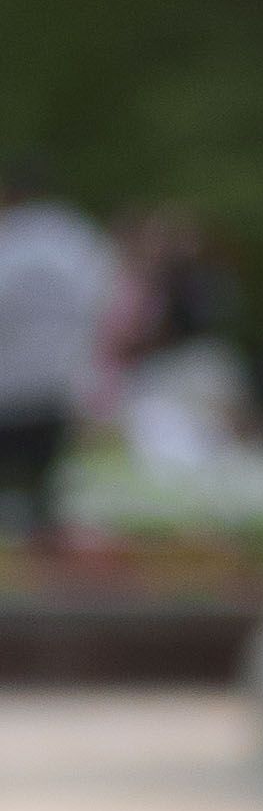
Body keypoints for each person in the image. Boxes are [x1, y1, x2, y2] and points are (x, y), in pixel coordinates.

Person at [0, 169, 124, 547]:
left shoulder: (12, 238)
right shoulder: (77, 237)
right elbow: (106, 298)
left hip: (10, 373)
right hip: (59, 374)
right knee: (46, 480)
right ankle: (42, 541)